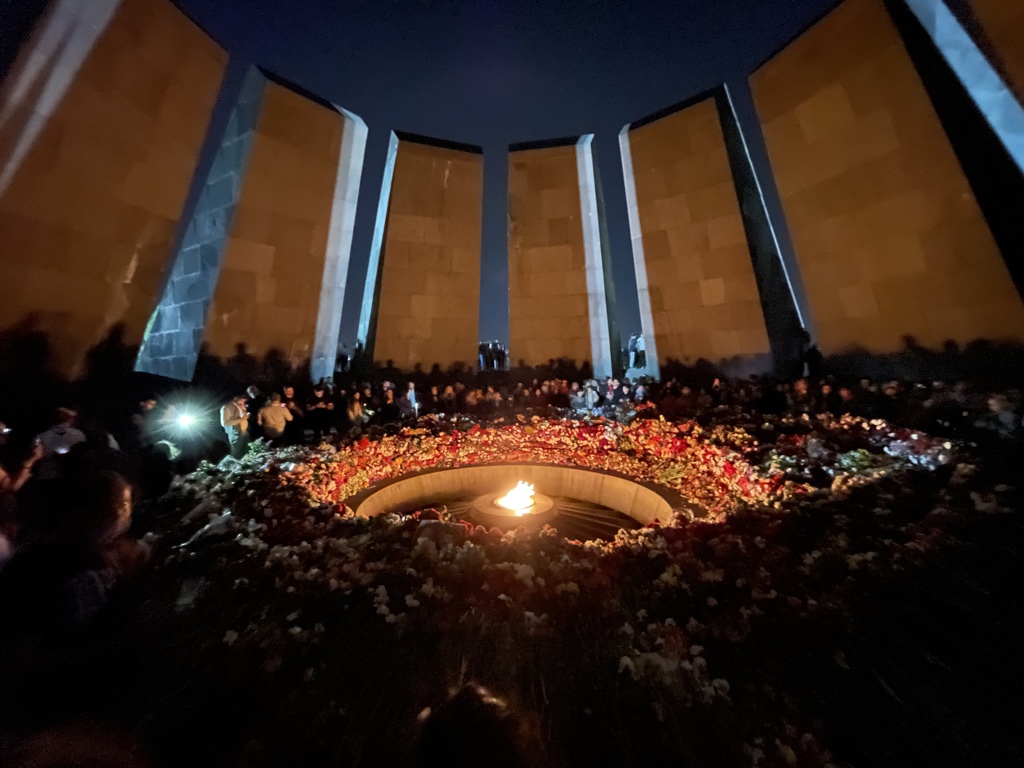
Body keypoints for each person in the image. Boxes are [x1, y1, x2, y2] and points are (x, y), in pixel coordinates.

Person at [0, 471, 150, 636]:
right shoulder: (54, 566)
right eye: (123, 504)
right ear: (99, 511)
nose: (128, 512)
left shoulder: (93, 551)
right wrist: (131, 582)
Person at [220, 394, 249, 459]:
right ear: (236, 398)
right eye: (242, 400)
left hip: (244, 431)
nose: (244, 401)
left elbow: (243, 414)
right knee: (237, 452)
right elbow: (225, 423)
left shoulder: (239, 404)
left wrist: (243, 407)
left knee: (246, 450)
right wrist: (241, 420)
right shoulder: (227, 407)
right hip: (236, 434)